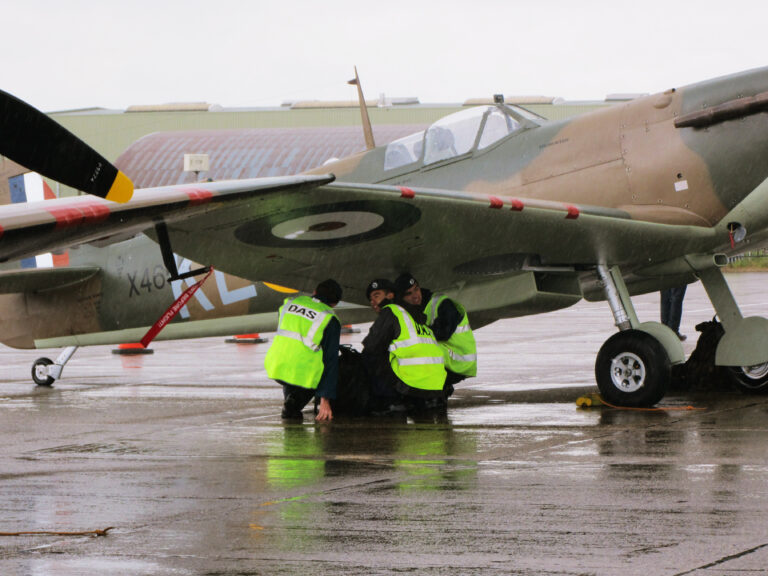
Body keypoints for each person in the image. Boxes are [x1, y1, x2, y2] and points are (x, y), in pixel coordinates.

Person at [361, 276, 446, 413]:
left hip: (413, 387)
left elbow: (371, 347)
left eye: (376, 296)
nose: (373, 302)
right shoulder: (415, 314)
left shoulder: (391, 311)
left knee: (370, 357)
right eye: (371, 299)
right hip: (435, 387)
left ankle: (388, 401)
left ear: (390, 295)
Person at [264, 279, 342, 421]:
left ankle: (291, 401)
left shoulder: (288, 304)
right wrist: (325, 399)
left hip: (276, 366)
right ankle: (292, 404)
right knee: (317, 368)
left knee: (294, 368)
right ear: (334, 304)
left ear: (314, 292)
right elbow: (331, 360)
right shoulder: (329, 319)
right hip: (302, 373)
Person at [394, 273, 477, 395]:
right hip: (447, 359)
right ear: (402, 298)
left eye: (416, 289)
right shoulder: (409, 309)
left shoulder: (442, 304)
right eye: (409, 294)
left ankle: (432, 392)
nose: (415, 296)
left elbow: (442, 333)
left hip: (459, 361)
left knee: (414, 352)